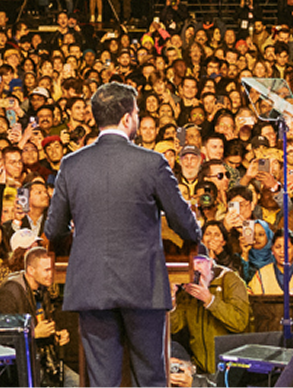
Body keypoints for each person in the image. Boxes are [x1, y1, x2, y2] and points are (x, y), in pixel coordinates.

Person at [43, 81, 204, 388]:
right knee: (152, 379)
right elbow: (185, 225)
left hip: (92, 286)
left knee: (102, 381)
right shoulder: (151, 162)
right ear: (128, 118)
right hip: (143, 286)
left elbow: (53, 230)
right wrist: (194, 231)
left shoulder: (71, 165)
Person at [170, 252, 250, 371]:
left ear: (211, 263)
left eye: (200, 262)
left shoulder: (230, 281)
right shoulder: (188, 288)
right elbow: (175, 327)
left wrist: (210, 300)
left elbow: (240, 323)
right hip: (199, 365)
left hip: (229, 367)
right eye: (190, 263)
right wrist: (172, 297)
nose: (195, 268)